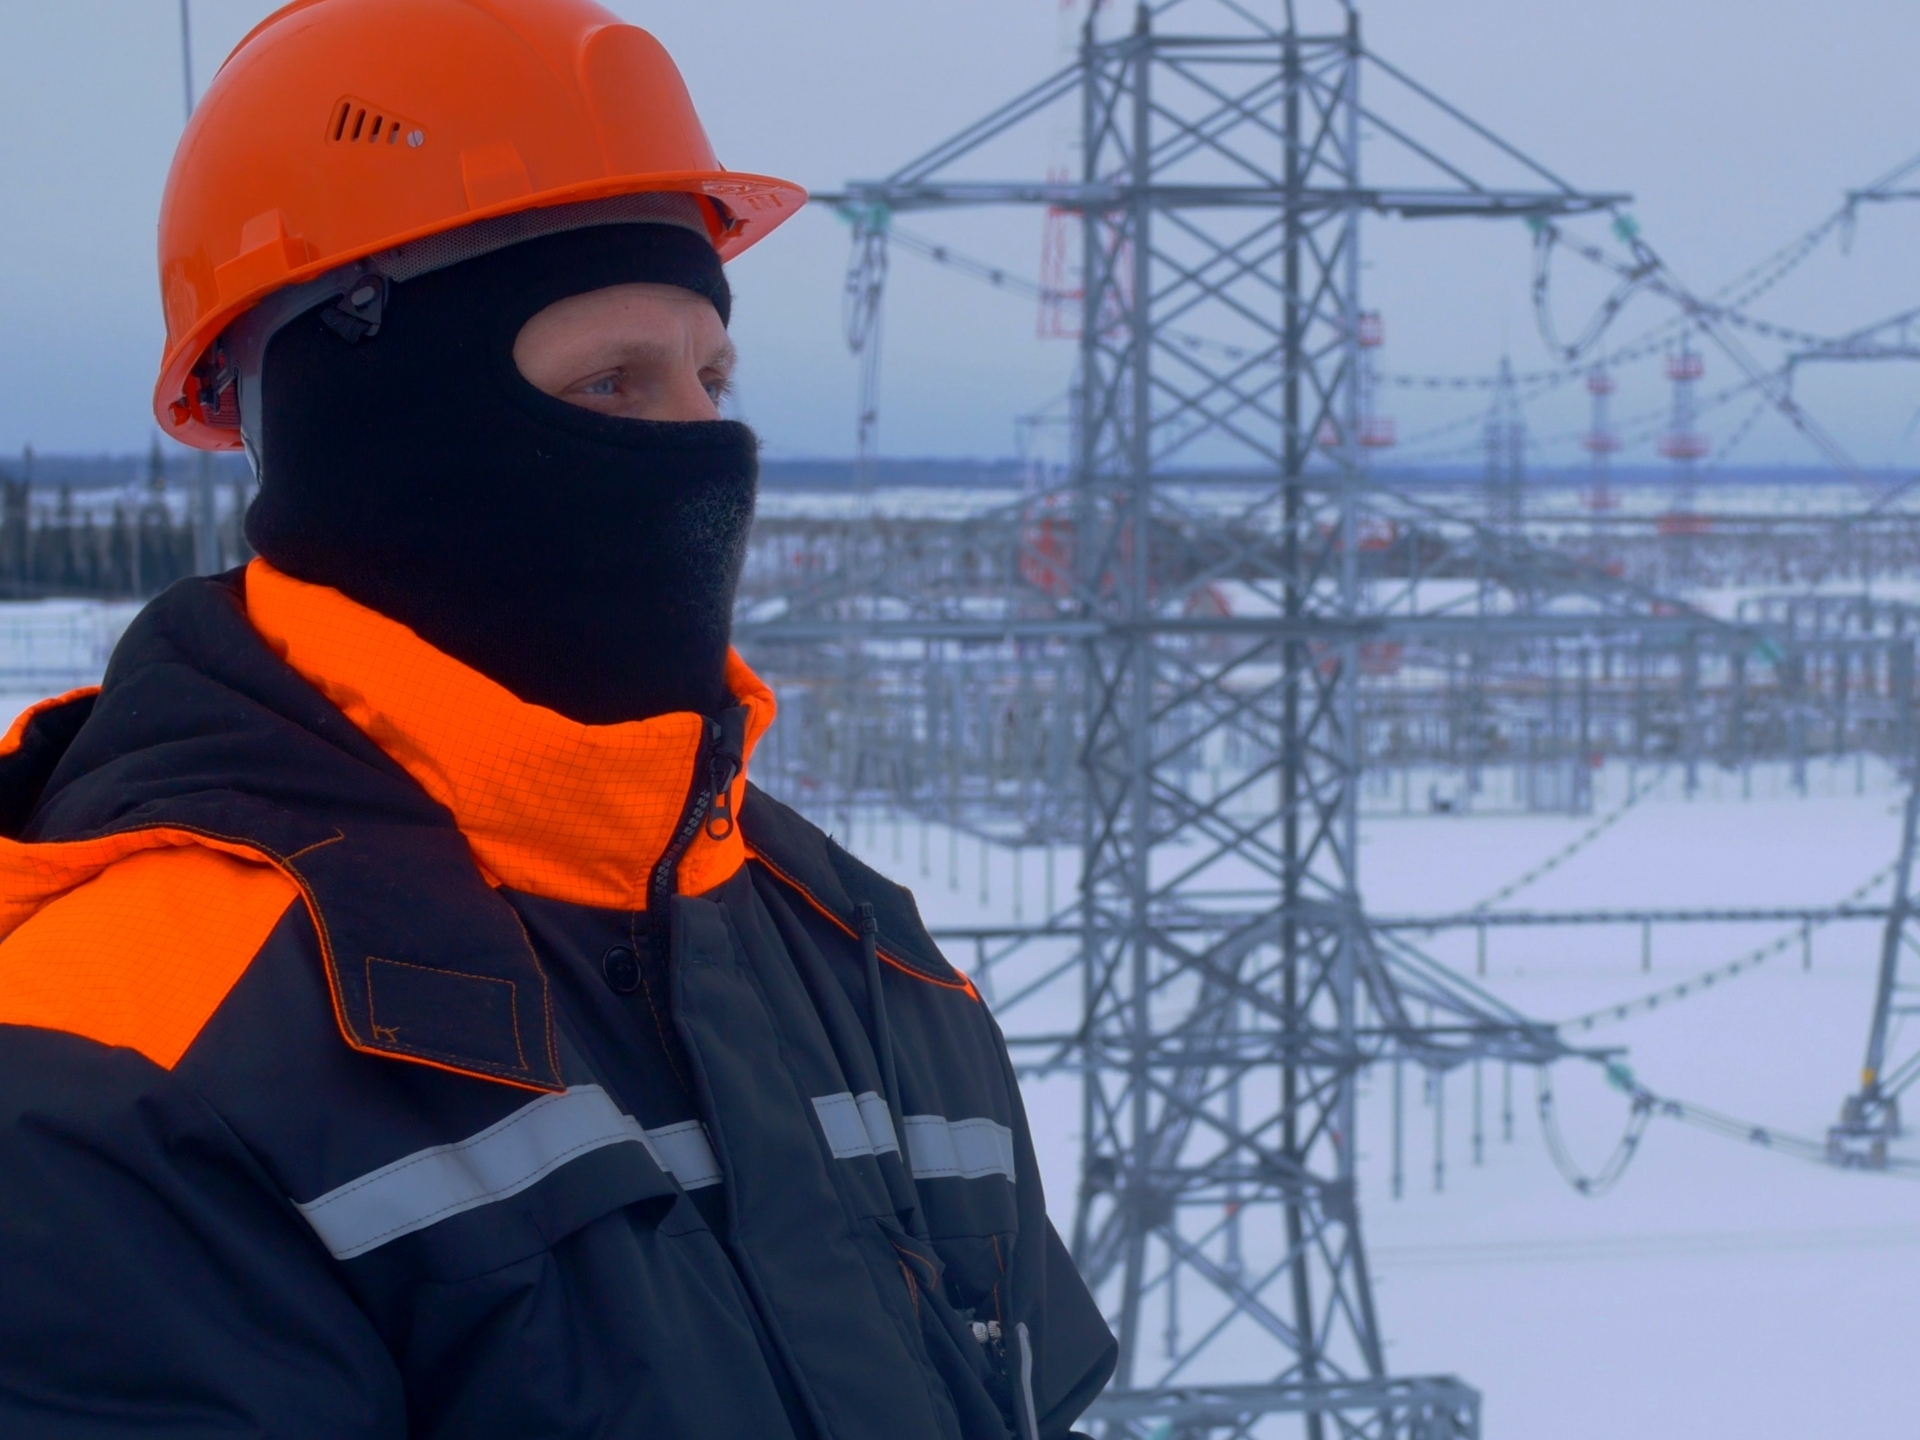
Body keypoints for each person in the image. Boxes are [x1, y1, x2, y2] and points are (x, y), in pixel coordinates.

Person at [0, 2, 1116, 1436]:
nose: (703, 444)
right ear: (374, 428)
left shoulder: (856, 951)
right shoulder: (122, 1049)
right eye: (611, 382)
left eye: (712, 376)